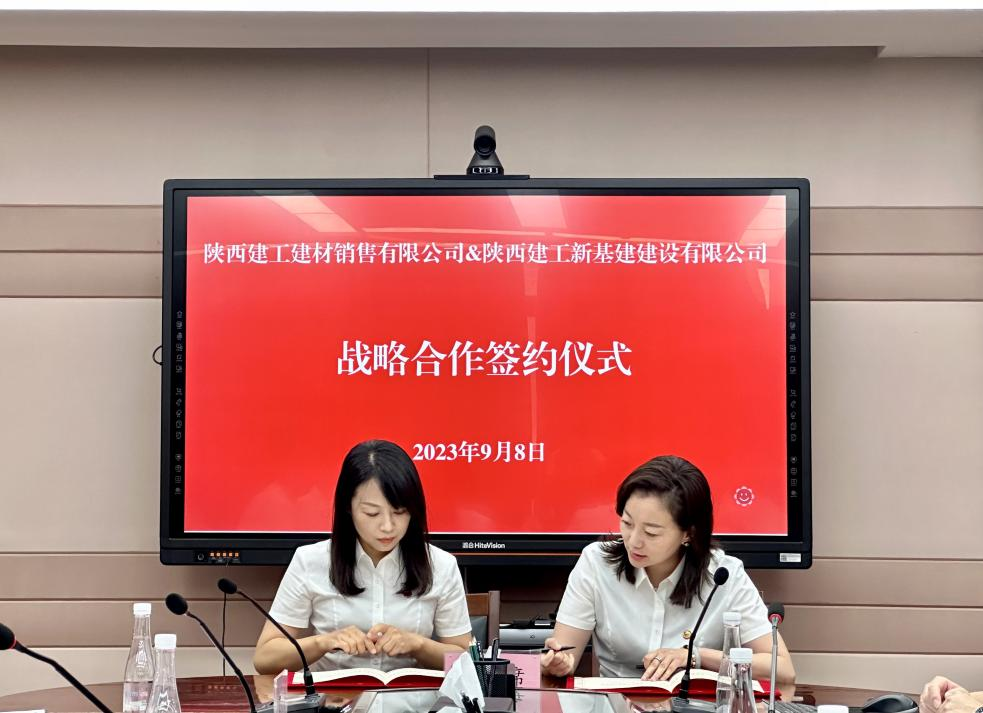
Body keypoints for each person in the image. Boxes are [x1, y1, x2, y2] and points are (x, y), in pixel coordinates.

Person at [541, 455, 796, 683]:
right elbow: (564, 656)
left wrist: (695, 657)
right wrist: (557, 663)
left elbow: (782, 668)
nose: (634, 541)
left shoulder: (723, 575)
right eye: (627, 523)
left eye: (651, 532)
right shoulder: (596, 563)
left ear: (688, 533)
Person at [253, 439, 473, 674]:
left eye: (400, 512)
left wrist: (418, 645)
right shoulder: (309, 561)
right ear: (348, 507)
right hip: (333, 696)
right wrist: (323, 642)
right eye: (372, 513)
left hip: (414, 696)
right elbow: (265, 659)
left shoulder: (441, 565)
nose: (388, 526)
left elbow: (464, 660)